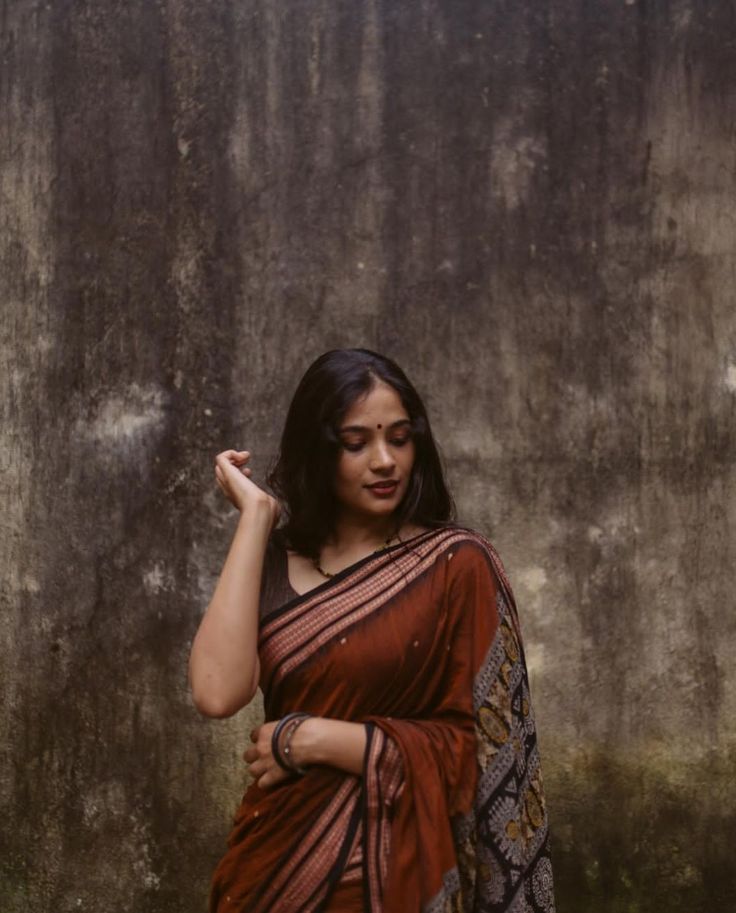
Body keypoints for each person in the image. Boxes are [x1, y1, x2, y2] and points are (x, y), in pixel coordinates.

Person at [189, 348, 555, 913]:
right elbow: (216, 692)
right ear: (318, 450)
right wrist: (257, 519)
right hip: (271, 872)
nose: (385, 461)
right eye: (355, 443)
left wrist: (316, 739)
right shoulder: (275, 560)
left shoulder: (456, 565)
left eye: (400, 438)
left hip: (394, 877)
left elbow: (489, 757)